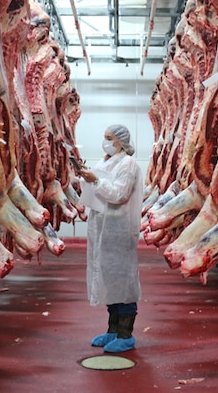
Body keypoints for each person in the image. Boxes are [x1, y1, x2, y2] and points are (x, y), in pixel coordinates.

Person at [77, 124, 143, 353]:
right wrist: (86, 178)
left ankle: (126, 335)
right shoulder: (105, 161)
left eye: (109, 138)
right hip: (103, 229)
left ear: (120, 141)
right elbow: (96, 188)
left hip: (120, 230)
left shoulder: (129, 165)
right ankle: (113, 330)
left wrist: (95, 180)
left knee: (123, 282)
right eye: (104, 137)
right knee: (108, 280)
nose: (105, 142)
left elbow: (118, 194)